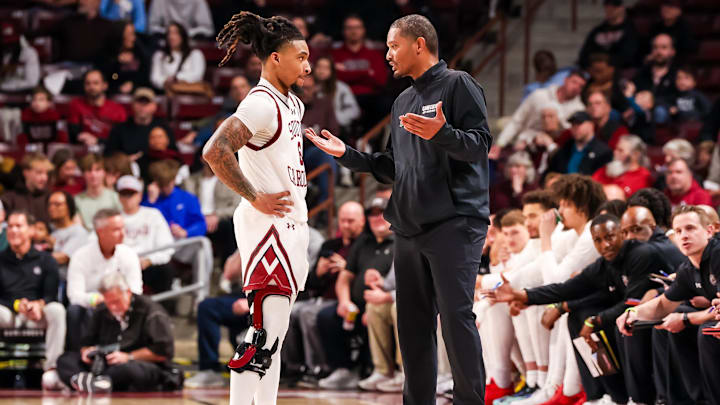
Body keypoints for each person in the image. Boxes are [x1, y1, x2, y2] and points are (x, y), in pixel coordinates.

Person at [306, 14, 491, 404]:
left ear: (419, 45)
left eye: (393, 46)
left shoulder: (459, 85)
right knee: (412, 327)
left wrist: (443, 134)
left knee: (456, 320)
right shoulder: (403, 100)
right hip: (409, 225)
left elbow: (479, 146)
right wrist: (349, 155)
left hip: (455, 222)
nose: (387, 54)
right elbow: (394, 166)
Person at [202, 11, 311, 405]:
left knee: (276, 339)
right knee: (263, 334)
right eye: (300, 56)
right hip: (269, 229)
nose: (308, 65)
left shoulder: (292, 105)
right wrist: (254, 195)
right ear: (275, 58)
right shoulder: (261, 103)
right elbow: (215, 151)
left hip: (291, 226)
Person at [617, 205, 720, 405]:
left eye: (690, 228)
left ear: (709, 231)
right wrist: (632, 312)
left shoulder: (717, 255)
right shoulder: (688, 268)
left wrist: (685, 319)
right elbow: (663, 304)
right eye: (679, 231)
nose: (684, 236)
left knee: (707, 332)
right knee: (672, 326)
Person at [282, 200, 365, 386]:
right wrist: (319, 272)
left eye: (350, 221)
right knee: (289, 311)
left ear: (362, 221)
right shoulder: (330, 245)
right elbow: (311, 284)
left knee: (307, 314)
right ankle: (293, 366)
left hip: (347, 300)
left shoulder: (364, 244)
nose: (345, 225)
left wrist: (347, 268)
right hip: (321, 297)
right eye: (342, 220)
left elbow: (364, 277)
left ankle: (320, 367)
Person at [316, 197, 395, 390]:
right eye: (373, 214)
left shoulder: (400, 242)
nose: (377, 218)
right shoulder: (363, 241)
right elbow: (345, 278)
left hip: (383, 301)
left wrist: (381, 298)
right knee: (326, 316)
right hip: (356, 304)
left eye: (382, 213)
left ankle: (378, 370)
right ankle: (343, 370)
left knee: (375, 314)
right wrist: (344, 302)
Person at [57, 272, 177, 392]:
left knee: (130, 370)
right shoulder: (102, 310)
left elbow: (163, 352)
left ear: (128, 292)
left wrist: (129, 357)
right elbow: (86, 342)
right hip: (106, 363)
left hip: (137, 364)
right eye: (109, 303)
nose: (113, 307)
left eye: (116, 301)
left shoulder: (152, 311)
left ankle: (94, 383)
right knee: (65, 359)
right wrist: (87, 352)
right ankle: (89, 382)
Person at [0, 210, 65, 390]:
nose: (13, 230)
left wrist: (38, 305)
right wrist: (16, 305)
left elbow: (51, 295)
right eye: (10, 226)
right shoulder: (1, 259)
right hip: (8, 313)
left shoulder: (46, 260)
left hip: (36, 314)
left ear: (31, 231)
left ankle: (52, 369)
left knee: (57, 310)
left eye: (18, 226)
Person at [66, 208, 143, 351]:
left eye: (123, 228)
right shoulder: (80, 256)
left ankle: (125, 353)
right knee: (74, 311)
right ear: (100, 232)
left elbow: (136, 290)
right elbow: (74, 295)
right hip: (92, 307)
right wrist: (99, 299)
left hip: (121, 306)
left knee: (138, 308)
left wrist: (115, 301)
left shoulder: (129, 255)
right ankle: (79, 354)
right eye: (116, 229)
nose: (122, 234)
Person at [184, 254, 250, 389]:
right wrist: (242, 248)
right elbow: (229, 275)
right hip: (247, 294)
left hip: (277, 297)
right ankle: (209, 370)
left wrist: (254, 303)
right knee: (207, 307)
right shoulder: (250, 237)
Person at [493, 70, 586, 155]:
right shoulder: (539, 95)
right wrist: (500, 144)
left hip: (554, 150)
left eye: (580, 86)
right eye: (574, 82)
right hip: (525, 144)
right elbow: (517, 121)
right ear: (565, 80)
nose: (576, 87)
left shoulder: (579, 109)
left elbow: (571, 134)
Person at [117, 175, 175, 295]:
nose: (127, 198)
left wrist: (149, 260)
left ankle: (163, 308)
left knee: (166, 270)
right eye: (124, 194)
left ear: (139, 195)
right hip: (121, 267)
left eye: (131, 193)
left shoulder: (153, 215)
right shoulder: (114, 218)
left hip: (148, 265)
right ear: (119, 197)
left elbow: (167, 247)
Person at [330, 15, 389, 130]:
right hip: (342, 95)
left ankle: (370, 141)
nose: (353, 31)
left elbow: (381, 80)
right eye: (349, 28)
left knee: (385, 104)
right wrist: (366, 73)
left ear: (363, 30)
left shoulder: (374, 54)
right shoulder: (335, 54)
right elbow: (334, 78)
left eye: (357, 27)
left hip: (369, 98)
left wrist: (348, 73)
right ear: (344, 31)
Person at [183, 155, 242, 263]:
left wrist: (216, 215)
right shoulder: (190, 180)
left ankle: (226, 269)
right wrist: (201, 218)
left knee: (230, 227)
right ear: (202, 158)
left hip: (220, 220)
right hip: (196, 220)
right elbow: (185, 205)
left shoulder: (231, 179)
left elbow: (236, 205)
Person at [142, 159, 206, 253]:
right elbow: (141, 223)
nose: (165, 188)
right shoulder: (148, 201)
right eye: (162, 185)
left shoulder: (187, 198)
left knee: (203, 245)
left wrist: (186, 232)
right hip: (156, 245)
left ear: (174, 180)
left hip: (180, 243)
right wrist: (151, 202)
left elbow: (201, 224)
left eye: (168, 184)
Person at [105, 87, 176, 157]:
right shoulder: (119, 129)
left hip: (156, 166)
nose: (142, 107)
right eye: (139, 102)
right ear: (132, 104)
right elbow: (109, 156)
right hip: (126, 167)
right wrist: (125, 161)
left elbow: (174, 154)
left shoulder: (163, 128)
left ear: (154, 106)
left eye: (146, 103)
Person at [67, 70, 127, 146]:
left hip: (108, 152)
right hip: (83, 149)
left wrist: (98, 141)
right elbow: (73, 135)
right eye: (87, 83)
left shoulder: (117, 109)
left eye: (96, 83)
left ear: (105, 85)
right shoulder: (76, 104)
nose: (91, 87)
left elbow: (122, 139)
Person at [546, 111, 613, 176]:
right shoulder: (565, 148)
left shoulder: (603, 152)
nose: (575, 128)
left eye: (579, 124)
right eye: (573, 125)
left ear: (591, 125)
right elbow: (550, 172)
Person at [578, 0, 638, 69]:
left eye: (614, 7)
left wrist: (607, 63)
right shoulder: (598, 30)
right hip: (595, 69)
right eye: (607, 7)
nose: (610, 10)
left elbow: (629, 55)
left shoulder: (630, 29)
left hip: (620, 70)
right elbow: (584, 54)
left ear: (622, 8)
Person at [47, 190, 89, 290]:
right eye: (50, 204)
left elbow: (63, 258)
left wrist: (34, 256)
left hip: (66, 282)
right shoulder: (47, 229)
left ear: (69, 207)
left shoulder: (78, 231)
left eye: (57, 204)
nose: (52, 208)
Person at [633, 33, 678, 123]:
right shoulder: (642, 73)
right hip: (641, 112)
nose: (659, 51)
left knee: (659, 112)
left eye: (664, 47)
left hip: (666, 114)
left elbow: (677, 99)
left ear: (672, 51)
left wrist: (653, 102)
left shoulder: (677, 74)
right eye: (655, 47)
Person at [150, 22, 206, 92]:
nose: (171, 37)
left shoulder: (195, 54)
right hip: (166, 92)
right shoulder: (159, 55)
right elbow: (155, 78)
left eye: (175, 33)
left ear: (183, 36)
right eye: (169, 33)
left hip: (190, 92)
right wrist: (165, 82)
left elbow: (197, 75)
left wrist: (177, 78)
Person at [313, 55, 361, 133]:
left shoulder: (341, 88)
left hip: (336, 130)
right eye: (319, 67)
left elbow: (354, 111)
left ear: (332, 71)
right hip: (313, 128)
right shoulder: (307, 86)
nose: (321, 71)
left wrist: (333, 118)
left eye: (326, 68)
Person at [2, 152, 53, 223]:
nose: (44, 178)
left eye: (46, 173)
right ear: (25, 173)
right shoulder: (8, 199)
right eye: (39, 172)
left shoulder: (51, 198)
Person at [75, 154, 123, 230]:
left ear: (104, 172)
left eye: (97, 170)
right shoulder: (76, 200)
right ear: (83, 174)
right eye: (89, 170)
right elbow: (78, 229)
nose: (93, 174)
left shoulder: (116, 198)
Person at [102, 22, 152, 95]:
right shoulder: (108, 54)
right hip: (114, 94)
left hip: (137, 92)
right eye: (129, 34)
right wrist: (117, 62)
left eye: (133, 34)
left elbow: (145, 76)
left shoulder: (139, 51)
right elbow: (111, 77)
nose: (133, 38)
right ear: (120, 35)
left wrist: (133, 84)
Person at [17, 86, 70, 152]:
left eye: (41, 100)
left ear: (49, 103)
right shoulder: (24, 117)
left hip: (53, 151)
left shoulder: (56, 118)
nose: (37, 103)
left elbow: (62, 140)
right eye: (34, 99)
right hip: (31, 152)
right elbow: (21, 142)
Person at [0, 20, 40, 92]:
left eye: (11, 41)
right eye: (5, 42)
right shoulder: (4, 53)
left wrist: (4, 85)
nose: (9, 45)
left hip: (22, 92)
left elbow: (32, 82)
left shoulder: (29, 53)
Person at [147, 0, 214, 38]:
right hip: (165, 45)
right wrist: (169, 33)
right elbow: (151, 28)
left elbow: (208, 29)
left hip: (192, 44)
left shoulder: (198, 1)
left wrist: (189, 33)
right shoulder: (159, 1)